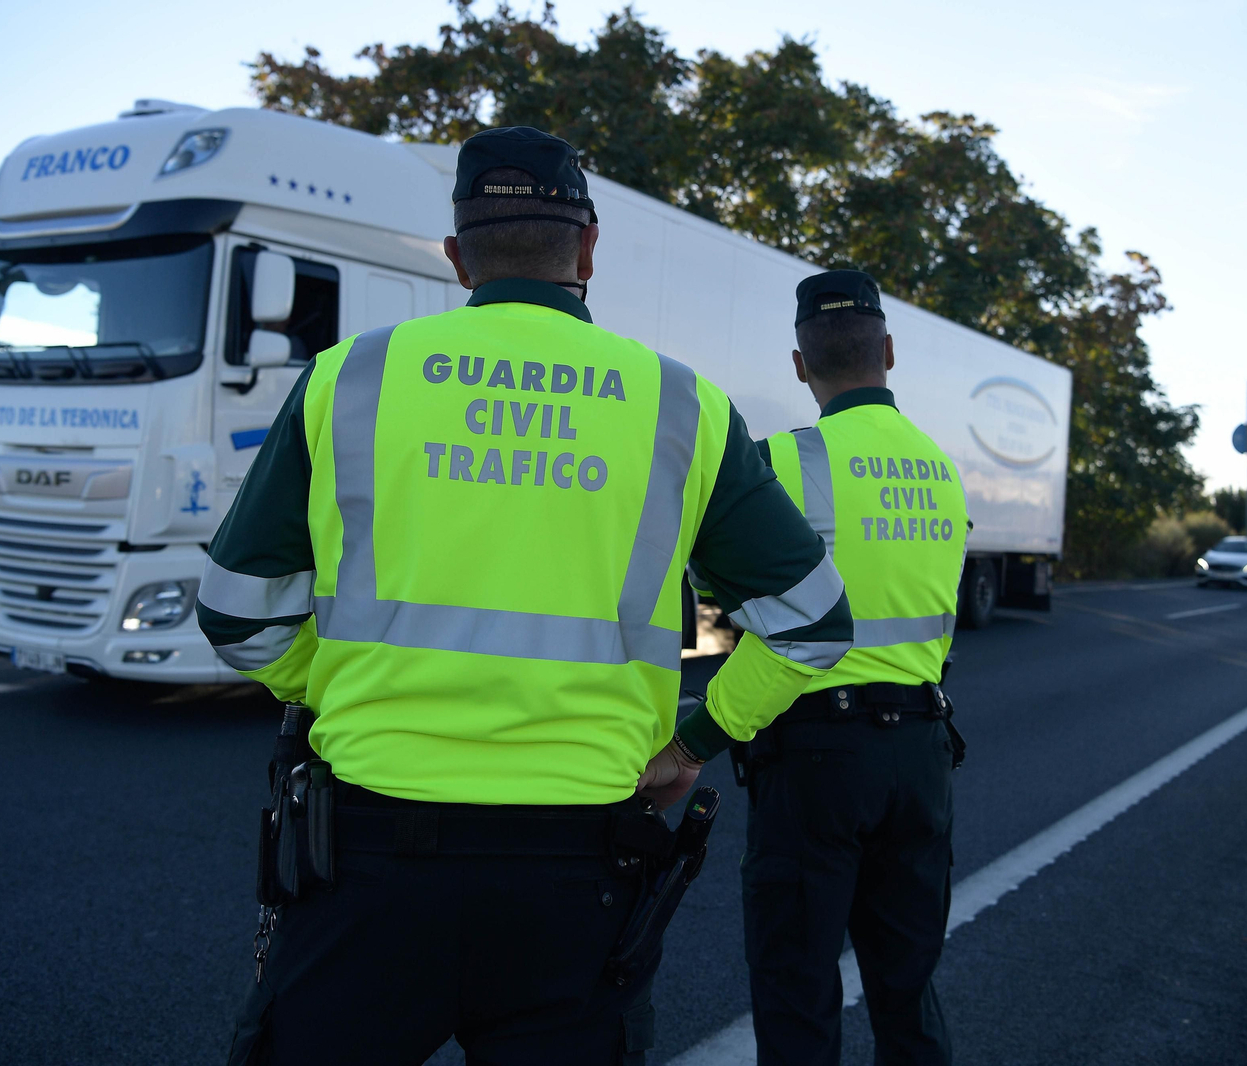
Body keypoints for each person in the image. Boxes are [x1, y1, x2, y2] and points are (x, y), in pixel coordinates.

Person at [196, 126, 853, 1066]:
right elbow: (814, 625)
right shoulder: (681, 404)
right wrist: (692, 742)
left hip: (369, 864)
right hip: (578, 874)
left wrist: (334, 685)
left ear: (458, 256)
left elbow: (234, 613)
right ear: (587, 251)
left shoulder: (352, 377)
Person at [736, 270, 969, 1065]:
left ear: (800, 365)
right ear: (890, 353)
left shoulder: (780, 462)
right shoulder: (940, 469)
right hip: (923, 750)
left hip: (815, 759)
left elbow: (724, 595)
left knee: (798, 989)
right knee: (908, 990)